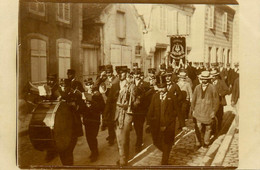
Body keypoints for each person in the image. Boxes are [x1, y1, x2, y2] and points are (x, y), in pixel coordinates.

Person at [146, 74, 187, 165]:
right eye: (159, 88)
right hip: (157, 124)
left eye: (163, 87)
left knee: (167, 143)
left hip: (169, 125)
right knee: (156, 142)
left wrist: (183, 125)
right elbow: (150, 110)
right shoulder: (155, 96)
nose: (161, 90)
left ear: (166, 87)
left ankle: (164, 162)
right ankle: (166, 150)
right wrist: (148, 123)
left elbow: (179, 111)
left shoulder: (171, 96)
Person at [103, 67, 138, 166]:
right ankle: (122, 155)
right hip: (116, 115)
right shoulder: (114, 86)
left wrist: (129, 105)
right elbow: (109, 102)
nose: (120, 75)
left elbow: (137, 102)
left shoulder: (132, 86)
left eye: (122, 73)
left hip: (127, 114)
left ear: (126, 74)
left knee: (124, 138)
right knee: (118, 137)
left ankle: (123, 159)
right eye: (119, 73)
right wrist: (105, 116)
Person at [191, 71, 219, 148]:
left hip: (208, 112)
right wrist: (193, 109)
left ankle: (206, 142)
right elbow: (193, 99)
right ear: (201, 79)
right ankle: (198, 143)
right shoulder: (197, 87)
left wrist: (214, 111)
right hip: (198, 111)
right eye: (203, 79)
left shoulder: (213, 88)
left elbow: (216, 101)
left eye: (206, 79)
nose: (204, 80)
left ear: (208, 79)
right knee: (198, 128)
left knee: (208, 128)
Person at [82, 78, 105, 162]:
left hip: (95, 119)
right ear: (85, 86)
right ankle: (93, 151)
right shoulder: (83, 95)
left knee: (93, 136)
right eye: (88, 84)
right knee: (88, 137)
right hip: (87, 119)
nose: (90, 86)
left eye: (91, 84)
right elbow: (81, 108)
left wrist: (93, 103)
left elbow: (102, 106)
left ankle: (95, 153)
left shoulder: (97, 94)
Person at [132, 68, 150, 153]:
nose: (137, 76)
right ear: (133, 75)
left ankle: (138, 143)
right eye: (135, 74)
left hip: (141, 109)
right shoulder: (130, 83)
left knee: (139, 126)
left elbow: (148, 97)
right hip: (132, 109)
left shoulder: (145, 84)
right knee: (136, 126)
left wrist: (141, 99)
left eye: (138, 74)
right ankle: (139, 139)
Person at [210, 70, 229, 134]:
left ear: (216, 76)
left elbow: (227, 90)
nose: (212, 77)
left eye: (213, 76)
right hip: (211, 102)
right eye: (211, 76)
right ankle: (213, 129)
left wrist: (221, 94)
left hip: (220, 102)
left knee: (219, 116)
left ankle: (219, 128)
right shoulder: (210, 83)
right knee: (212, 116)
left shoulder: (221, 82)